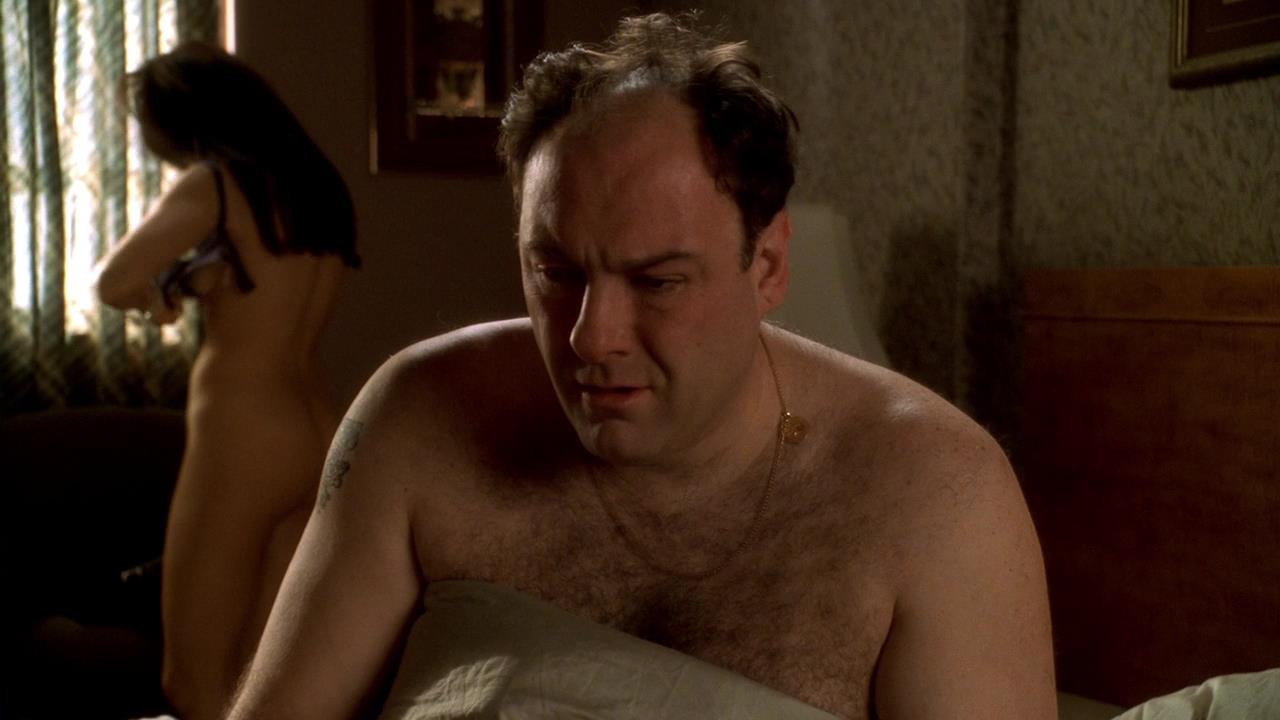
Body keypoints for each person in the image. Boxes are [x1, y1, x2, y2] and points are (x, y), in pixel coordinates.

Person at [228, 13, 1054, 720]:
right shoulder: (419, 417)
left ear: (767, 266)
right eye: (556, 273)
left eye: (657, 282)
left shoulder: (939, 495)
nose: (591, 338)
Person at [93, 41, 360, 720]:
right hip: (316, 429)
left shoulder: (214, 183)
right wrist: (187, 279)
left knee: (193, 681)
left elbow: (113, 281)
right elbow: (259, 286)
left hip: (245, 436)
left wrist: (154, 296)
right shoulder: (312, 188)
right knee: (262, 680)